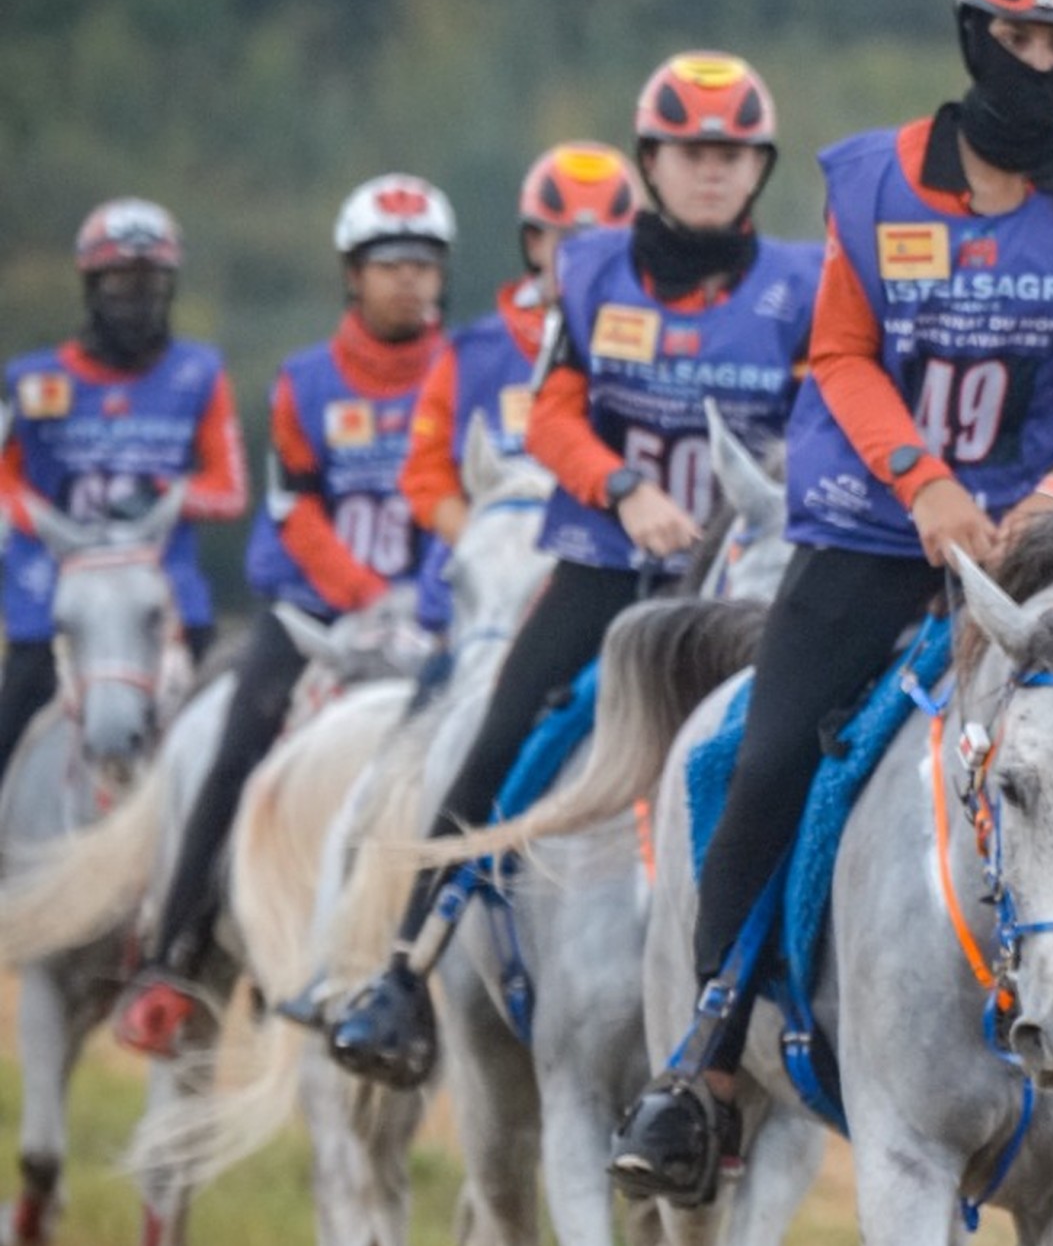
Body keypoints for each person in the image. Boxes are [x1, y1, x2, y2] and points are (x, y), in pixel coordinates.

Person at [605, 0, 1053, 1210]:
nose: (1037, 56)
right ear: (972, 31)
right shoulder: (870, 181)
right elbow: (837, 355)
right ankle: (706, 1064)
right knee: (748, 756)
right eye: (1016, 31)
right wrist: (924, 485)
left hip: (1036, 536)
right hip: (869, 524)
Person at [326, 58, 816, 1092]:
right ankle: (403, 974)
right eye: (693, 154)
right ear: (653, 161)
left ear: (758, 167)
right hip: (604, 564)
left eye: (733, 155)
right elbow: (548, 415)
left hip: (740, 583)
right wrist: (622, 484)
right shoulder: (591, 269)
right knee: (497, 734)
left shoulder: (800, 283)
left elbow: (827, 417)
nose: (713, 173)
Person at [114, 176, 454, 1055]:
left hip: (437, 605)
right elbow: (294, 508)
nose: (411, 281)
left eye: (424, 264)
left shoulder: (465, 371)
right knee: (237, 736)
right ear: (352, 272)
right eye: (391, 265)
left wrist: (426, 593)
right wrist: (363, 594)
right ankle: (173, 954)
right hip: (316, 608)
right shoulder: (304, 382)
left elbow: (468, 498)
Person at [0, 199, 245, 794]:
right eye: (120, 283)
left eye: (152, 284)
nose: (137, 300)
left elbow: (231, 490)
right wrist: (42, 519)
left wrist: (166, 492)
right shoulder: (32, 381)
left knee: (225, 704)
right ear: (91, 287)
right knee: (25, 687)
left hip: (161, 576)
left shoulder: (200, 373)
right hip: (58, 573)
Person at [401, 141, 639, 545]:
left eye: (606, 242)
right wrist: (489, 546)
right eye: (569, 240)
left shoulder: (651, 343)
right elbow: (425, 477)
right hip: (483, 578)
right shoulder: (470, 355)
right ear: (533, 243)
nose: (587, 257)